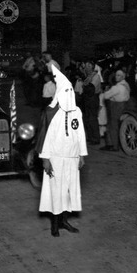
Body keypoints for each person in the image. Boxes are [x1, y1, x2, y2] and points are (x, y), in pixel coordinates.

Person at [35, 66, 87, 237]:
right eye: (66, 91)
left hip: (71, 157)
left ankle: (64, 221)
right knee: (56, 190)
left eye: (71, 90)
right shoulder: (52, 113)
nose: (70, 94)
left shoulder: (76, 112)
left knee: (68, 190)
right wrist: (45, 159)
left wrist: (81, 154)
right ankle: (55, 224)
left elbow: (80, 133)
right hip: (56, 157)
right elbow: (46, 137)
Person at [100, 69, 130, 151]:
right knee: (116, 126)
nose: (117, 77)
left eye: (119, 75)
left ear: (123, 76)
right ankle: (115, 144)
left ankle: (114, 145)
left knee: (113, 126)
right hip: (124, 106)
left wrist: (106, 91)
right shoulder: (126, 85)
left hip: (115, 107)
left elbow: (105, 96)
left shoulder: (116, 87)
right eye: (116, 75)